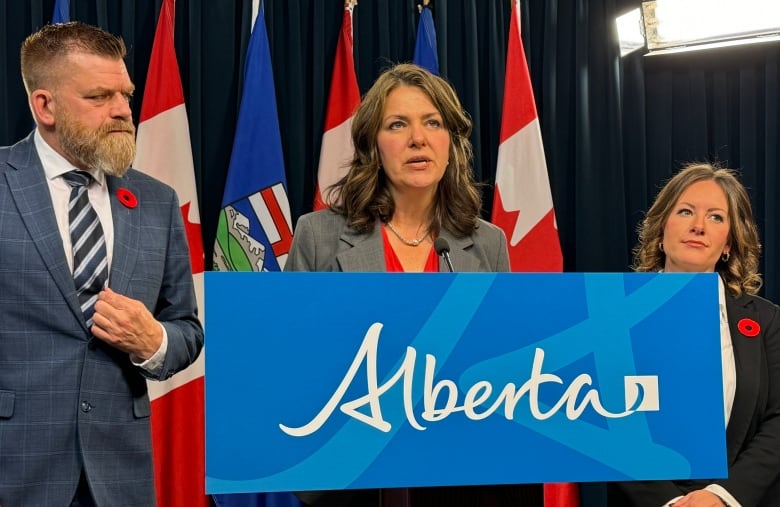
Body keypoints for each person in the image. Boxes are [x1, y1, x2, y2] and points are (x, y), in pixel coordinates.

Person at [287, 63, 523, 505]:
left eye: (432, 123)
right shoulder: (318, 235)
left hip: (458, 473)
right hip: (350, 475)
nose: (418, 138)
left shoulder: (486, 243)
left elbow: (501, 360)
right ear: (373, 145)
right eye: (398, 124)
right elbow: (294, 357)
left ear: (450, 143)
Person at [0, 22, 203, 506]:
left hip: (121, 476)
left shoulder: (156, 201)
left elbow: (187, 330)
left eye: (126, 95)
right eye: (99, 97)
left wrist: (154, 342)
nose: (122, 111)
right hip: (14, 468)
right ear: (44, 105)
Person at [608, 163, 780, 507]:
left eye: (716, 217)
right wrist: (671, 502)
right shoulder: (612, 314)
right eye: (686, 211)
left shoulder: (765, 319)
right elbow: (604, 423)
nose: (699, 226)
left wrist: (721, 497)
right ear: (660, 229)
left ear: (729, 243)